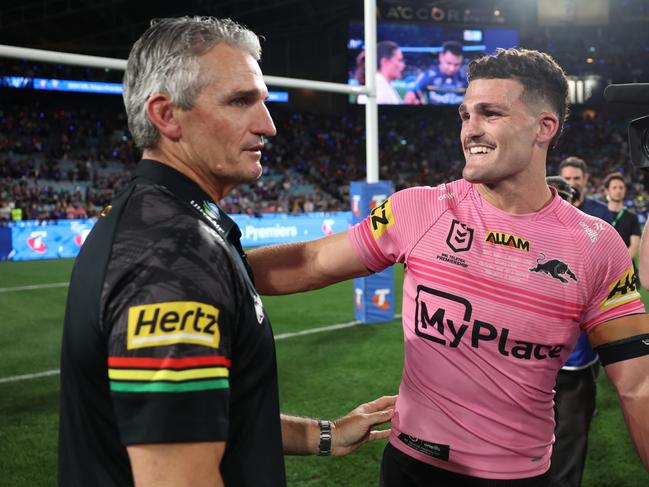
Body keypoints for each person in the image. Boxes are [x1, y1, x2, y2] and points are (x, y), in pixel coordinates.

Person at [248, 48, 649, 486]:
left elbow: (637, 385)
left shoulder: (596, 245)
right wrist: (213, 263)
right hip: (410, 470)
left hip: (520, 478)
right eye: (465, 114)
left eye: (490, 113)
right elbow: (310, 262)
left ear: (544, 127)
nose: (469, 129)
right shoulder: (419, 208)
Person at [58, 16, 396, 487]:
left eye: (262, 99)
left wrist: (326, 435)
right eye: (241, 101)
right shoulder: (172, 254)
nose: (269, 125)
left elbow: (209, 416)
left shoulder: (177, 222)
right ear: (166, 115)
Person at [552, 157, 614, 487]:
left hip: (580, 351)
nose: (571, 184)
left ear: (586, 179)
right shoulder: (537, 216)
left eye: (576, 177)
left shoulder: (601, 217)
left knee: (571, 434)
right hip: (535, 351)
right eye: (565, 179)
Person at [403, 40, 466, 105]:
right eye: (448, 63)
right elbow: (409, 99)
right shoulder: (428, 75)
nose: (452, 69)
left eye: (456, 64)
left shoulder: (466, 77)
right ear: (441, 56)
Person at [558, 156, 611, 222]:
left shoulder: (602, 211)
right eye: (567, 178)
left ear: (585, 179)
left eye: (576, 178)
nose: (572, 183)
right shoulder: (552, 210)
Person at [603, 172, 641, 259]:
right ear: (607, 191)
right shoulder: (598, 215)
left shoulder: (632, 217)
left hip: (627, 269)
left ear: (625, 190)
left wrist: (620, 265)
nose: (618, 191)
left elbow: (634, 246)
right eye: (614, 187)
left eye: (621, 187)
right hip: (604, 269)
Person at [376, 41, 405, 105]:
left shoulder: (384, 86)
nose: (403, 65)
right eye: (399, 60)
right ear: (385, 62)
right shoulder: (378, 91)